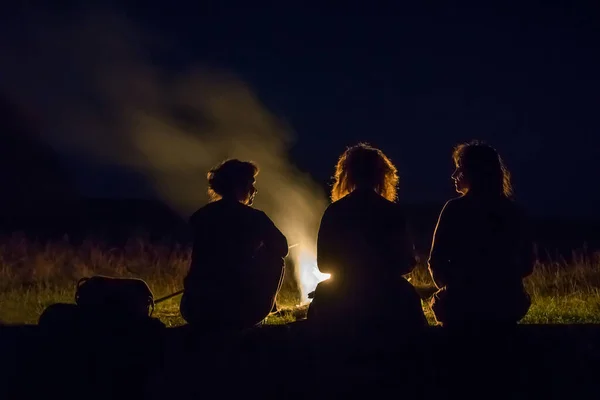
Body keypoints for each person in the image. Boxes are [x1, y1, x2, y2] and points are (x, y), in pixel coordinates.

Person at [307, 143, 427, 333]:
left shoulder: (335, 211)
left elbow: (324, 265)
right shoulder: (391, 212)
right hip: (387, 294)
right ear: (382, 175)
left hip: (342, 295)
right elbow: (406, 263)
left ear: (347, 175)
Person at [428, 141, 534, 329]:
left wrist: (454, 287)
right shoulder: (514, 212)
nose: (454, 175)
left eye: (459, 168)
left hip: (461, 307)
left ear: (474, 173)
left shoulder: (454, 209)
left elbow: (436, 261)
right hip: (506, 305)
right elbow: (527, 264)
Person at [180, 159, 288, 332]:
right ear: (240, 185)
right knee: (276, 259)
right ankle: (265, 309)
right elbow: (282, 248)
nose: (255, 190)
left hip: (193, 308)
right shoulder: (255, 218)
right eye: (251, 184)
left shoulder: (200, 216)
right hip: (239, 312)